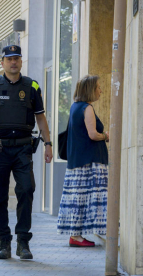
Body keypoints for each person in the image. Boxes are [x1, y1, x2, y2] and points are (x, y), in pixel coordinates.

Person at [0, 45, 53, 260]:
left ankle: (23, 241)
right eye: (9, 59)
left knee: (27, 189)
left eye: (17, 58)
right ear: (2, 62)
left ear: (21, 61)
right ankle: (3, 241)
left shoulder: (31, 86)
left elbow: (41, 117)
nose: (13, 62)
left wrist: (48, 143)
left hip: (22, 148)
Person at [57, 75, 109, 247]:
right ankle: (76, 237)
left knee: (77, 199)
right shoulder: (87, 108)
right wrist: (106, 136)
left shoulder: (74, 107)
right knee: (85, 199)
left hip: (78, 161)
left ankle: (75, 235)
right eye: (98, 87)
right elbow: (93, 134)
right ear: (90, 90)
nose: (101, 90)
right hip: (89, 162)